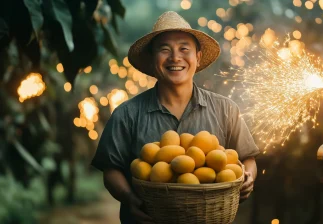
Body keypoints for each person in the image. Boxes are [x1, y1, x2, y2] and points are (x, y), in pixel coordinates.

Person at [91, 11, 260, 224]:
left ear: (197, 58)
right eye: (164, 50)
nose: (175, 57)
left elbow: (247, 158)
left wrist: (248, 178)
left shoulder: (225, 109)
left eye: (184, 49)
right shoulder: (127, 114)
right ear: (153, 60)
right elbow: (111, 169)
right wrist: (128, 198)